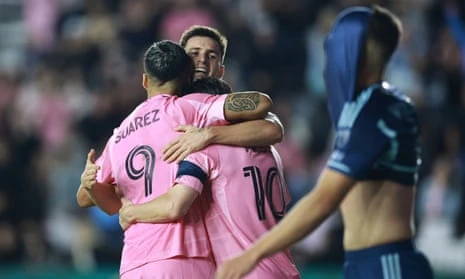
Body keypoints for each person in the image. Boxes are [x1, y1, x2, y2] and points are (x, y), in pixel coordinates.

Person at [216, 6, 434, 279]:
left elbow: (324, 199)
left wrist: (251, 255)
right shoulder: (388, 105)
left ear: (355, 49)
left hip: (385, 265)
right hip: (368, 262)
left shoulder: (373, 112)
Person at [81, 40, 272, 278]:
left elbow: (84, 196)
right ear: (186, 79)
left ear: (144, 80)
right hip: (183, 257)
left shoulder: (119, 135)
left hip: (133, 263)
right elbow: (260, 103)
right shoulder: (188, 107)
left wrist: (92, 186)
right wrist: (209, 133)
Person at [114, 76, 300, 279]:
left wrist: (131, 212)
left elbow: (175, 205)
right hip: (285, 269)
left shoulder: (206, 151)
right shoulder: (271, 153)